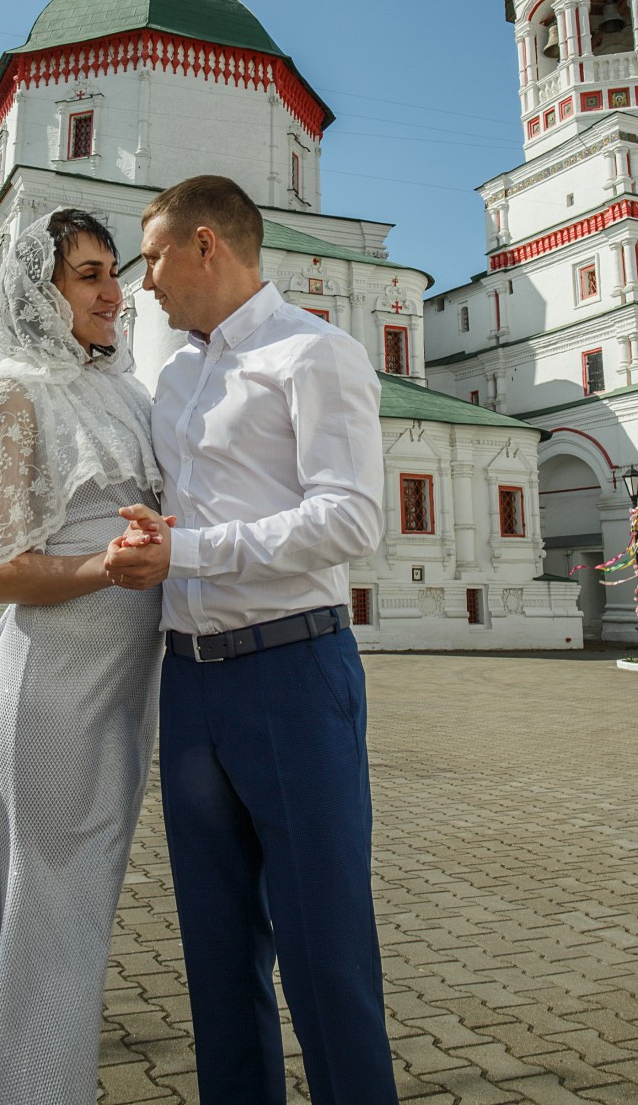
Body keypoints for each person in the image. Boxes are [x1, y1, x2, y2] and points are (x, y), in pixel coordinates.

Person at [105, 175, 399, 1105]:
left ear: (204, 245)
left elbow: (350, 522)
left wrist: (184, 550)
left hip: (291, 671)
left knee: (324, 946)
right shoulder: (177, 378)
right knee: (217, 950)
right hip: (188, 687)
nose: (141, 282)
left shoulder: (316, 353)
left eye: (148, 258)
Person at [0, 208, 165, 1105]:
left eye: (111, 272)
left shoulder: (125, 394)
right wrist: (108, 564)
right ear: (38, 292)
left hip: (120, 697)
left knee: (45, 929)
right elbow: (2, 571)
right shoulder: (13, 390)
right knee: (55, 930)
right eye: (86, 274)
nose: (111, 291)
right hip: (50, 696)